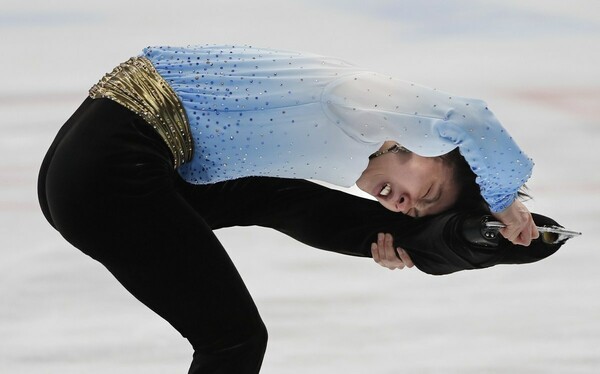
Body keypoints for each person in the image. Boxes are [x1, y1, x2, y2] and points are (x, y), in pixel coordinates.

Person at [37, 45, 546, 373]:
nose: (408, 204)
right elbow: (468, 116)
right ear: (427, 146)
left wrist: (409, 241)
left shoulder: (351, 152)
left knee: (282, 198)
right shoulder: (352, 99)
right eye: (427, 193)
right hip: (110, 167)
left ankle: (452, 241)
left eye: (415, 211)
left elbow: (289, 207)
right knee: (233, 342)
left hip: (105, 162)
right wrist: (504, 199)